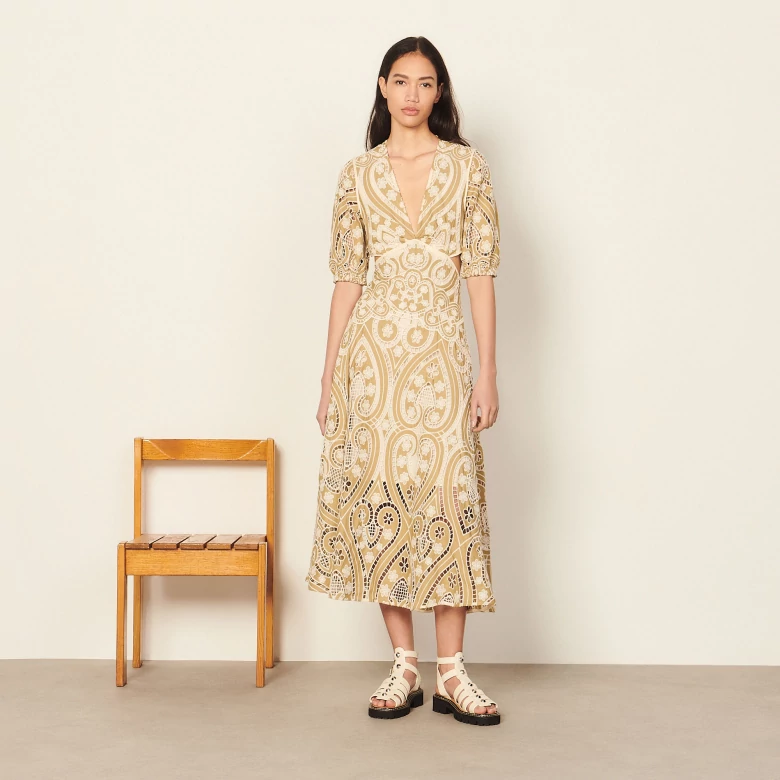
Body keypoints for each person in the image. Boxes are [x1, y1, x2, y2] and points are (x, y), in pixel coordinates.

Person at [304, 36, 501, 726]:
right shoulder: (356, 174)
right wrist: (328, 376)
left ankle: (453, 673)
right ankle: (404, 665)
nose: (412, 94)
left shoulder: (468, 168)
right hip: (372, 366)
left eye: (425, 82)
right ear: (383, 88)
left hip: (443, 362)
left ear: (439, 92)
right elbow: (347, 279)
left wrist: (488, 372)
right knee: (382, 501)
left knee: (448, 502)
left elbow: (480, 272)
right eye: (400, 80)